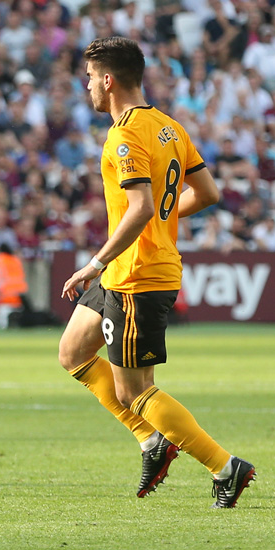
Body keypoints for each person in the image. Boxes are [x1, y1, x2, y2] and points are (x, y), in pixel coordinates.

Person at [59, 37, 253, 508]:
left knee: (133, 391)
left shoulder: (124, 134)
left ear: (108, 80)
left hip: (136, 275)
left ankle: (226, 468)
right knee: (73, 353)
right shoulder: (169, 127)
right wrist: (161, 221)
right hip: (128, 270)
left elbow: (142, 206)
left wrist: (95, 261)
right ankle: (152, 442)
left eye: (89, 78)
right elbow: (206, 194)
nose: (86, 88)